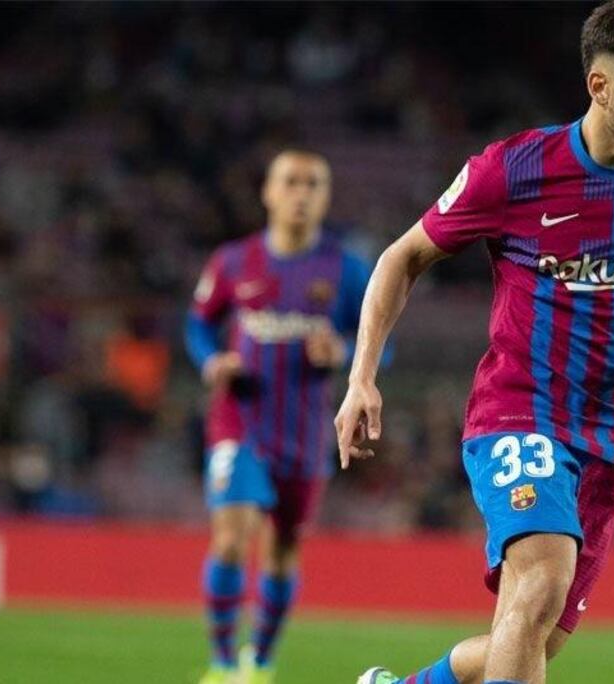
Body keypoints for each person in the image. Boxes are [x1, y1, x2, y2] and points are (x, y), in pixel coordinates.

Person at [335, 2, 614, 683]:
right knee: (541, 581)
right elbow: (401, 257)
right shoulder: (514, 168)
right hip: (520, 411)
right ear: (600, 86)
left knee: (534, 634)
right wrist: (361, 378)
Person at [185, 149, 373, 684]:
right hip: (240, 420)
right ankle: (223, 664)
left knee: (284, 546)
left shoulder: (346, 269)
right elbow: (198, 324)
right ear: (268, 192)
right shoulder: (233, 261)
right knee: (232, 533)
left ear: (326, 197)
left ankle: (260, 662)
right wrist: (211, 361)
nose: (301, 193)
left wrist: (343, 352)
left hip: (305, 431)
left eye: (313, 184)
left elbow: (381, 342)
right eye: (290, 182)